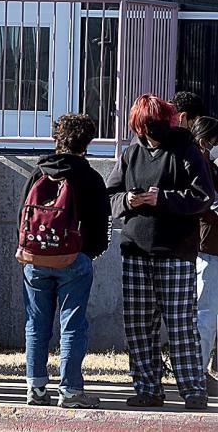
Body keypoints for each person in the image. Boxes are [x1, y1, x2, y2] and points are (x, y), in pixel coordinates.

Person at [106, 94, 214, 410]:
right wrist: (128, 201)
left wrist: (163, 198)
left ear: (167, 120)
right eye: (145, 126)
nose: (150, 132)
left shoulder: (186, 150)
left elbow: (203, 195)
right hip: (135, 248)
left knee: (180, 322)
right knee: (139, 325)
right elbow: (110, 196)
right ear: (137, 126)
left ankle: (193, 390)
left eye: (155, 125)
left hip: (176, 250)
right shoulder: (130, 154)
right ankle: (148, 388)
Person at [20, 113, 111, 409]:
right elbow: (99, 227)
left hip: (35, 259)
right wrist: (88, 254)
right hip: (74, 259)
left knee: (36, 323)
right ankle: (70, 390)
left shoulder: (39, 172)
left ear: (57, 138)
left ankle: (35, 388)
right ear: (87, 142)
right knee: (72, 325)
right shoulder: (90, 177)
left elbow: (23, 217)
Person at [191, 116, 218, 396]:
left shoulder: (207, 165)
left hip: (210, 246)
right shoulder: (197, 167)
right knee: (205, 313)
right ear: (204, 142)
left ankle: (200, 371)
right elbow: (206, 206)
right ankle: (196, 374)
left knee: (209, 313)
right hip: (207, 247)